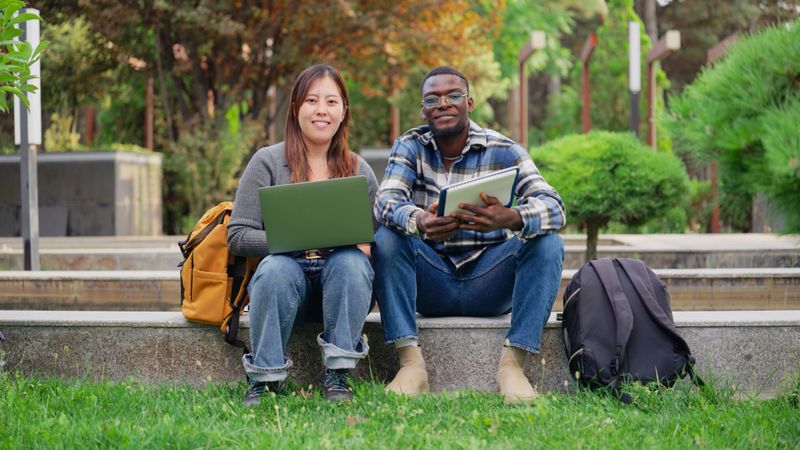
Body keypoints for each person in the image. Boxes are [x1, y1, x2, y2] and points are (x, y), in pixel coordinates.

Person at [372, 66, 565, 404]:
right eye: (433, 99)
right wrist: (419, 220)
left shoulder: (505, 150)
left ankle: (513, 366)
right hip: (430, 281)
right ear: (423, 110)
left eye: (453, 96)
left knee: (548, 242)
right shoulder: (410, 145)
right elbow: (385, 201)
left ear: (470, 102)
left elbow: (555, 207)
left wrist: (513, 216)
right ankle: (411, 366)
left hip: (489, 281)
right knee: (387, 237)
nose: (443, 103)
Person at [228, 64, 378, 405]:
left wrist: (367, 247)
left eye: (331, 101)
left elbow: (378, 238)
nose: (321, 110)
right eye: (311, 100)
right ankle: (265, 380)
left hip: (341, 290)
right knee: (276, 268)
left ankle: (338, 376)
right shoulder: (266, 162)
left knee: (352, 264)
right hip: (283, 288)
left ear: (343, 111)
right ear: (296, 108)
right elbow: (238, 235)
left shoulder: (358, 170)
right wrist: (294, 239)